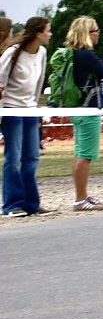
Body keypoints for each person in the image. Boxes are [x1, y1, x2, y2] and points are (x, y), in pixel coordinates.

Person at [67, 16, 103, 211]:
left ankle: (81, 196)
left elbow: (99, 69)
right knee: (85, 155)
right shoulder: (85, 54)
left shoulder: (79, 54)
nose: (98, 34)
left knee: (80, 153)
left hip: (79, 107)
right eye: (95, 31)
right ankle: (80, 199)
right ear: (87, 33)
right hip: (88, 109)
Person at [0, 16, 53, 218]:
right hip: (12, 110)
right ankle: (12, 204)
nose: (50, 33)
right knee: (14, 158)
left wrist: (36, 108)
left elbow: (38, 83)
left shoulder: (42, 53)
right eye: (48, 30)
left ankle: (31, 203)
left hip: (30, 110)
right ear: (38, 33)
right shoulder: (13, 53)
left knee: (31, 157)